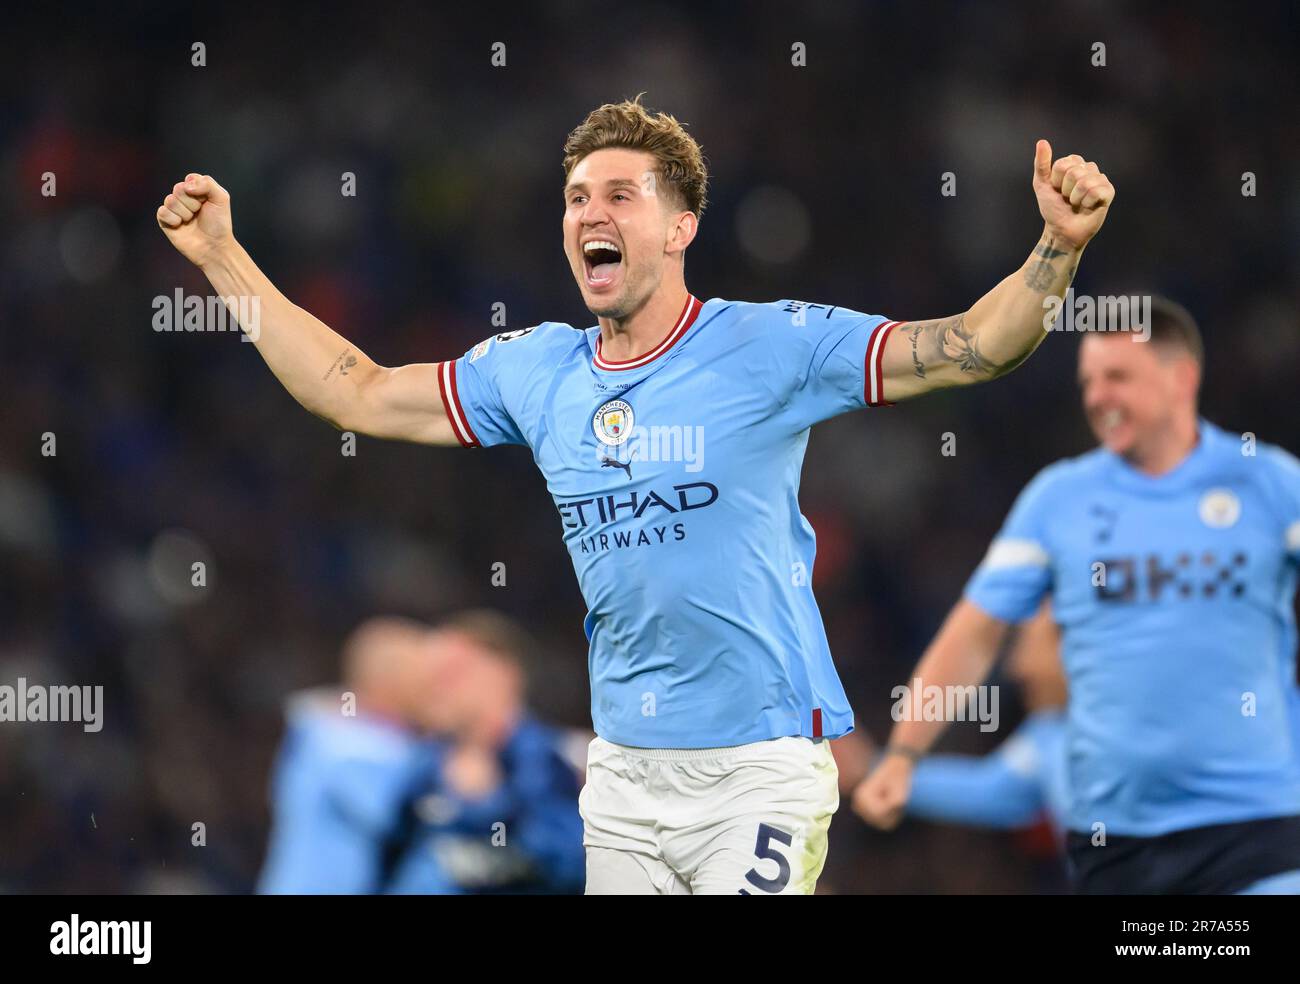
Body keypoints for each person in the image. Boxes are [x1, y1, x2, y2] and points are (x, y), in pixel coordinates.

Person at [157, 94, 1114, 894]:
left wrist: (1056, 252)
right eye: (576, 198)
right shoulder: (534, 371)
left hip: (761, 768)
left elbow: (972, 345)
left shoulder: (769, 345)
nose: (590, 215)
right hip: (622, 779)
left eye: (621, 194)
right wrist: (223, 263)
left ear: (680, 225)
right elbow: (354, 390)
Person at [854, 299, 1300, 894]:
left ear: (1181, 378)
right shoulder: (1058, 500)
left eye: (1117, 377)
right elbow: (975, 632)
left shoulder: (1268, 482)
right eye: (1088, 381)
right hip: (1117, 842)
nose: (1096, 397)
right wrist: (906, 754)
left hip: (1255, 829)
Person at [384, 610, 585, 894]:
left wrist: (485, 807)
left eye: (450, 673)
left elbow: (572, 867)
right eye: (428, 677)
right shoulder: (421, 769)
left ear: (504, 673)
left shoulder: (561, 762)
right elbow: (391, 865)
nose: (435, 689)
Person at [835, 603, 1069, 835]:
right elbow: (990, 791)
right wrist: (871, 768)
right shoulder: (1048, 732)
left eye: (1031, 646)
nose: (1018, 668)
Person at [258, 616, 444, 894]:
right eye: (426, 678)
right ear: (388, 680)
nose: (437, 691)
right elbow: (410, 815)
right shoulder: (341, 746)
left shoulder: (349, 739)